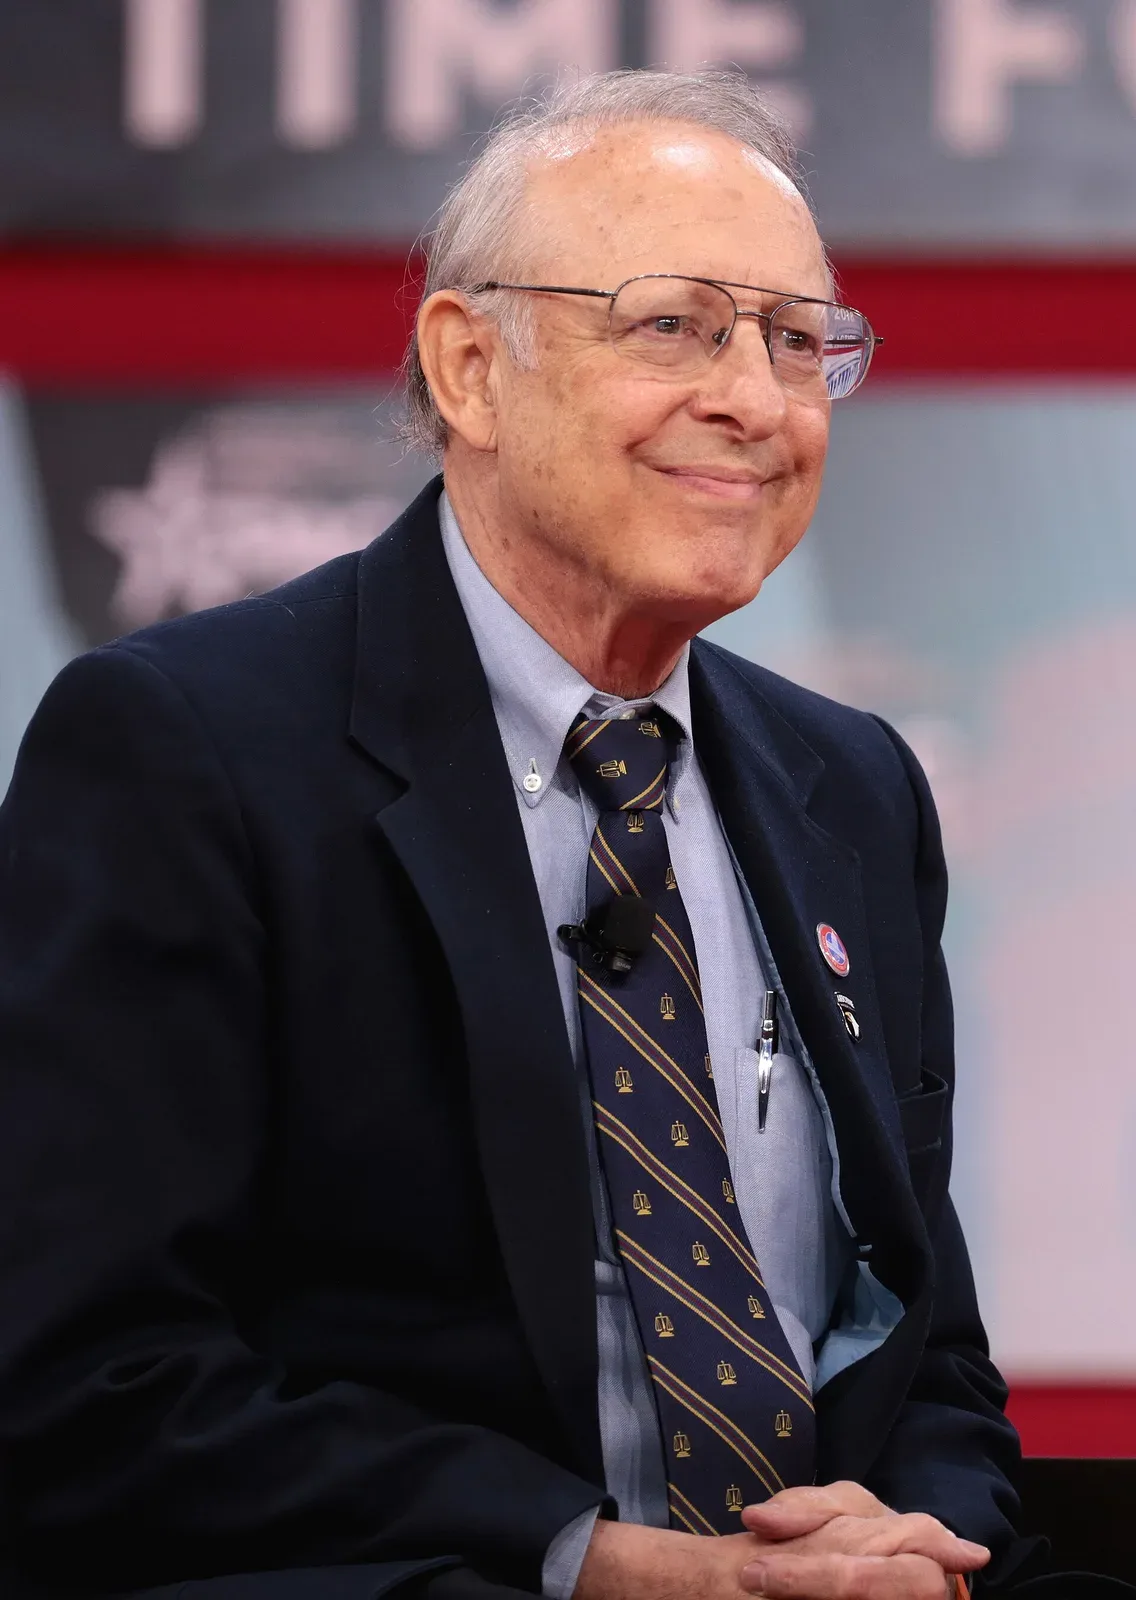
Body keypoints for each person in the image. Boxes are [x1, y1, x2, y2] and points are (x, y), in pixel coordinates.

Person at [0, 69, 1102, 1600]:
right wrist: (596, 1564)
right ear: (469, 367)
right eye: (674, 326)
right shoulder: (182, 751)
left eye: (797, 341)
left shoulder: (851, 784)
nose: (753, 397)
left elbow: (928, 1354)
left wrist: (906, 1533)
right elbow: (92, 1385)